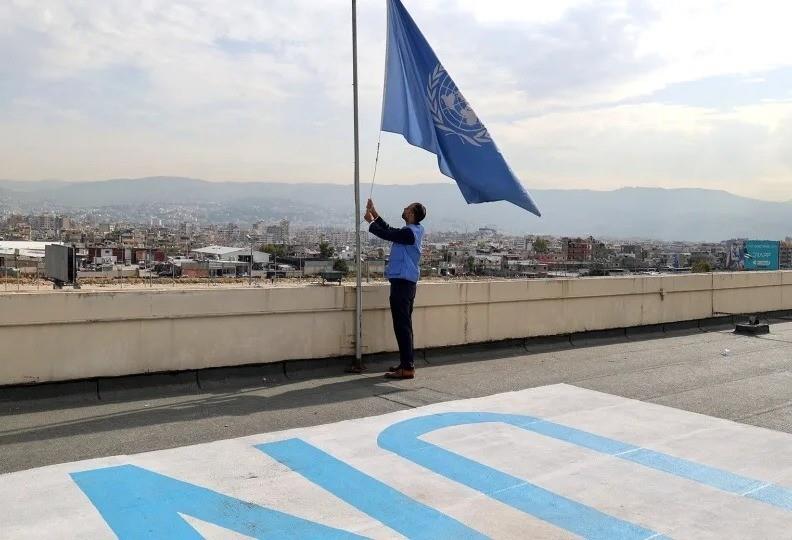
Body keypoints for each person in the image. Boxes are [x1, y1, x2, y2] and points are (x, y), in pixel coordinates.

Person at [364, 199, 426, 379]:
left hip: (402, 282)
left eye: (407, 208)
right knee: (404, 326)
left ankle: (407, 368)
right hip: (406, 282)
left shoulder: (409, 233)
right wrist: (375, 213)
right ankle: (406, 363)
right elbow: (391, 230)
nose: (404, 209)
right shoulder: (413, 231)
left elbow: (387, 234)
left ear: (412, 214)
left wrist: (371, 223)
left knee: (402, 326)